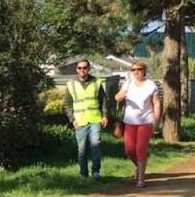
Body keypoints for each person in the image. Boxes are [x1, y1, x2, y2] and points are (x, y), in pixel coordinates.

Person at [115, 60, 161, 188]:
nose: (136, 72)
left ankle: (141, 179)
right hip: (129, 121)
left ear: (144, 70)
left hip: (146, 121)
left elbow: (156, 103)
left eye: (139, 69)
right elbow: (117, 97)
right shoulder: (128, 83)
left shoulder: (151, 85)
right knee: (129, 150)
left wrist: (156, 121)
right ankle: (140, 167)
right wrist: (121, 96)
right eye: (133, 70)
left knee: (140, 149)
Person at [63, 59, 109, 181]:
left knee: (96, 145)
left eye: (85, 68)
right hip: (79, 121)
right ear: (76, 69)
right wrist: (72, 119)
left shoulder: (97, 82)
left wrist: (105, 115)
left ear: (89, 69)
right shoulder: (70, 84)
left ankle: (96, 172)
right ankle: (83, 174)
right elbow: (67, 104)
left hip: (95, 119)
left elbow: (103, 100)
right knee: (82, 150)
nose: (82, 70)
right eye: (80, 68)